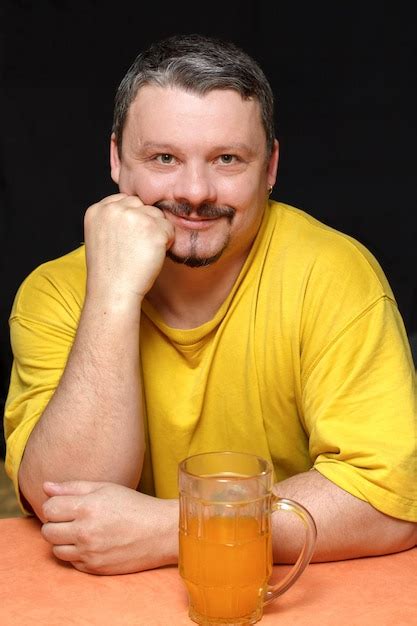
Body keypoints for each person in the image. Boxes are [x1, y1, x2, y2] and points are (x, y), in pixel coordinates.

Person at [4, 33, 416, 575]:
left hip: (280, 596)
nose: (195, 191)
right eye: (164, 157)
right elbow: (70, 502)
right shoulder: (55, 291)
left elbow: (389, 502)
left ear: (269, 168)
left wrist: (175, 530)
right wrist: (112, 293)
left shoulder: (333, 273)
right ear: (116, 160)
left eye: (226, 159)